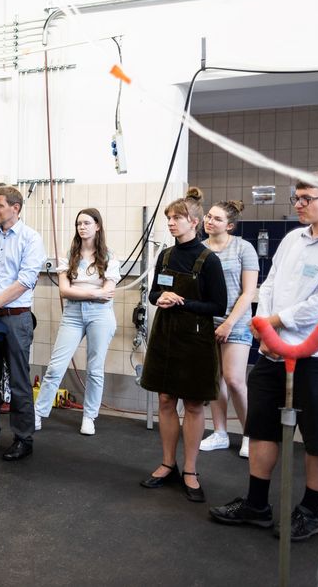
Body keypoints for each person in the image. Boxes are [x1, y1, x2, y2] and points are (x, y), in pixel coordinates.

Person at [210, 169, 318, 541]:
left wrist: (275, 321)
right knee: (261, 425)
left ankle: (309, 511)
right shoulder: (293, 239)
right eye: (297, 197)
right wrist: (263, 324)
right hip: (274, 349)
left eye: (307, 198)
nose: (298, 205)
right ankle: (256, 505)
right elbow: (271, 282)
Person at [139, 188, 226, 502]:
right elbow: (152, 295)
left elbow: (219, 305)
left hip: (196, 341)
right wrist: (159, 297)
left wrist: (185, 302)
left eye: (177, 218)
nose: (171, 223)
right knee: (165, 400)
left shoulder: (209, 260)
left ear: (195, 221)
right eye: (169, 218)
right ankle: (167, 464)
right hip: (165, 337)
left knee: (192, 405)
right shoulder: (165, 256)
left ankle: (190, 470)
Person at [0, 186, 46, 462]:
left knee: (19, 381)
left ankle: (23, 438)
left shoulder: (31, 239)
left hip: (16, 318)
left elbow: (25, 281)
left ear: (16, 208)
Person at [34, 208, 119, 435]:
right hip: (72, 315)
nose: (82, 227)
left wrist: (80, 290)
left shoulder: (109, 257)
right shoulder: (69, 256)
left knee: (95, 370)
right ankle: (38, 413)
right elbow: (64, 291)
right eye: (79, 224)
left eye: (87, 223)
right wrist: (94, 293)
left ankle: (89, 417)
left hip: (101, 316)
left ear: (97, 226)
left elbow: (108, 292)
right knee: (55, 367)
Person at [199, 200, 259, 458]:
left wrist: (228, 322)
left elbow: (248, 293)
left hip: (235, 321)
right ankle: (220, 433)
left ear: (230, 225)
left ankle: (250, 436)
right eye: (208, 216)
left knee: (234, 380)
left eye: (217, 219)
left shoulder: (243, 248)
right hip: (207, 321)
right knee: (215, 381)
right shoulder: (200, 249)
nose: (209, 221)